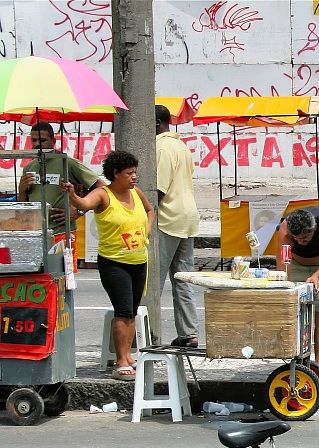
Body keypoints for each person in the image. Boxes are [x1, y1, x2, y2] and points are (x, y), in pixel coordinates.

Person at [62, 151, 154, 381]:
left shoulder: (136, 192)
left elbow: (151, 209)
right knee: (122, 311)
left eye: (135, 172)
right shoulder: (103, 195)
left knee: (131, 311)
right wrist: (73, 194)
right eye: (129, 173)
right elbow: (84, 204)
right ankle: (121, 361)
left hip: (138, 260)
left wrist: (148, 230)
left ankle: (128, 355)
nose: (134, 177)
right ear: (116, 174)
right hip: (114, 262)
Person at [153, 104, 202, 349]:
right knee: (183, 280)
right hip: (187, 216)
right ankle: (189, 333)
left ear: (155, 123)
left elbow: (159, 188)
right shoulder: (181, 146)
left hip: (168, 218)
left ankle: (148, 333)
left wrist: (147, 216)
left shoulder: (161, 147)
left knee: (154, 280)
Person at [278, 208, 319, 378]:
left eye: (304, 239)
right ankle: (298, 358)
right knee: (295, 310)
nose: (299, 242)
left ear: (314, 229)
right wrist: (283, 281)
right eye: (296, 238)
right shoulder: (285, 228)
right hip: (297, 265)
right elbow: (284, 260)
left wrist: (317, 275)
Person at [18, 121, 102, 237]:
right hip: (36, 233)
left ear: (53, 141)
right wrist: (21, 191)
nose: (38, 144)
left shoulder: (67, 163)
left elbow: (101, 188)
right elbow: (23, 206)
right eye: (34, 140)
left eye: (42, 140)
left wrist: (79, 211)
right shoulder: (28, 167)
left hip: (62, 232)